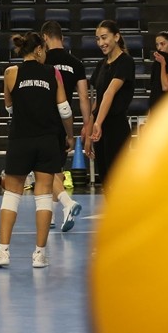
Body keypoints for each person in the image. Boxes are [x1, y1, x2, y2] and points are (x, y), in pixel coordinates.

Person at [0, 32, 73, 269]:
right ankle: (39, 254)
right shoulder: (52, 73)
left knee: (11, 195)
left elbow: (9, 107)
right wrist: (69, 135)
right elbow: (65, 110)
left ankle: (3, 252)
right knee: (44, 196)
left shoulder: (10, 72)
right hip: (47, 140)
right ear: (38, 50)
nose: (45, 54)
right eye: (44, 50)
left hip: (20, 140)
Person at [40, 20, 91, 232]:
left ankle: (66, 204)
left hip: (45, 120)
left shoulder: (42, 61)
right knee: (57, 169)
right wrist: (87, 125)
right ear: (62, 37)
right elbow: (84, 98)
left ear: (44, 38)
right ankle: (53, 216)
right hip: (64, 120)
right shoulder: (76, 64)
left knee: (44, 169)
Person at [88, 19, 136, 187]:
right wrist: (90, 127)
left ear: (116, 37)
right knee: (106, 178)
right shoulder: (101, 65)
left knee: (117, 179)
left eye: (104, 37)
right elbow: (98, 99)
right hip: (101, 129)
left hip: (116, 127)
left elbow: (109, 93)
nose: (101, 43)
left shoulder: (125, 61)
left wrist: (98, 123)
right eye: (97, 39)